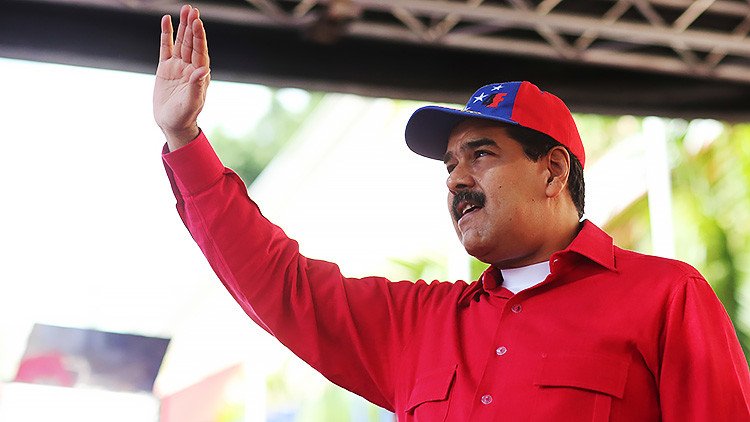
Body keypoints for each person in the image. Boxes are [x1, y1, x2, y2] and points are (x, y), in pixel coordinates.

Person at [154, 5, 750, 421]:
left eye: (481, 154)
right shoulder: (421, 323)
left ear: (553, 171)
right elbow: (282, 283)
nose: (457, 179)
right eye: (449, 164)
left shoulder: (667, 297)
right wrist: (185, 139)